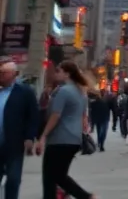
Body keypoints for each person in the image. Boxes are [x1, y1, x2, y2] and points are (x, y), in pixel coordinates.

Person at [37, 60, 95, 199]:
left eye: (58, 71)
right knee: (58, 175)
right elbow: (83, 117)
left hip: (59, 139)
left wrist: (43, 135)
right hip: (74, 139)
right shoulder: (81, 92)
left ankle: (86, 196)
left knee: (51, 177)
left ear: (67, 74)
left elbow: (55, 115)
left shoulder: (63, 91)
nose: (56, 74)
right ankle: (83, 196)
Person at [0, 56, 39, 199]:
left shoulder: (25, 92)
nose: (1, 76)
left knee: (13, 178)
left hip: (14, 144)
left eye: (4, 73)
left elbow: (33, 116)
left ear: (14, 74)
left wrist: (30, 137)